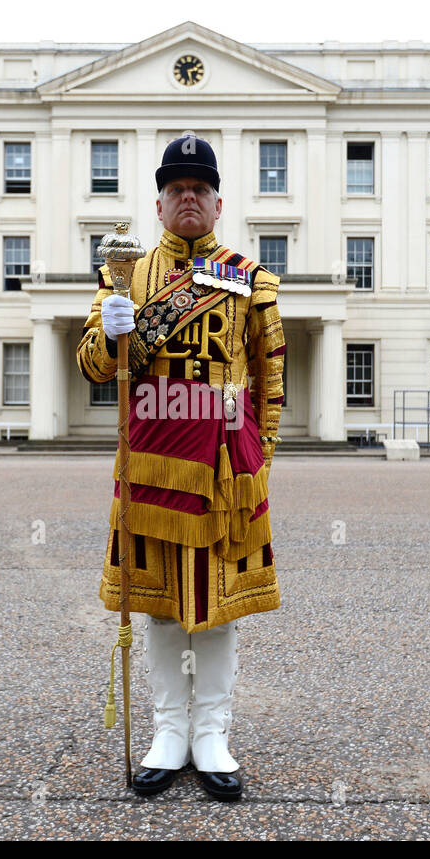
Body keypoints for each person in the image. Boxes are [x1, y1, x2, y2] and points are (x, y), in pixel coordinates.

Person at [76, 134, 285, 801]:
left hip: (226, 465)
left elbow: (270, 379)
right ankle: (169, 731)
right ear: (159, 204)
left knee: (218, 607)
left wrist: (262, 459)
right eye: (176, 189)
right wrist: (110, 333)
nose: (187, 197)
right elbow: (92, 368)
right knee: (161, 606)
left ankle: (212, 734)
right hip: (153, 463)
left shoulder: (251, 278)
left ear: (218, 202)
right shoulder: (125, 277)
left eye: (199, 188)